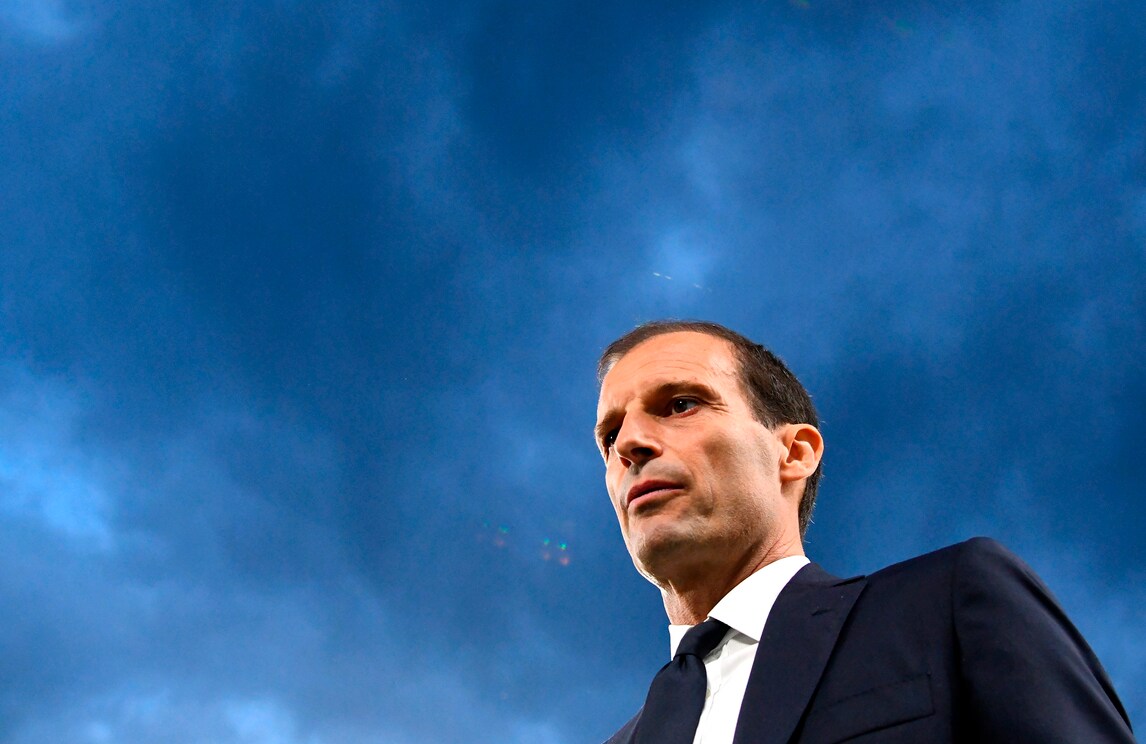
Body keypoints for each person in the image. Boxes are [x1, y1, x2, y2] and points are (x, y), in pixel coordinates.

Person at [594, 320, 1134, 744]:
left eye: (680, 405)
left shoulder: (946, 603)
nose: (630, 444)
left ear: (794, 453)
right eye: (610, 435)